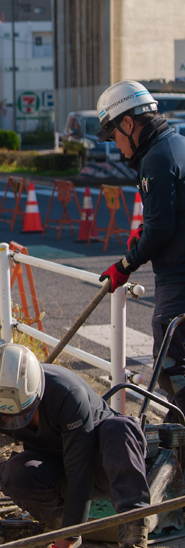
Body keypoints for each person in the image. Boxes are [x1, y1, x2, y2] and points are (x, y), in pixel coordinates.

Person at [0, 343, 153, 548]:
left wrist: (64, 546)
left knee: (120, 430)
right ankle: (55, 524)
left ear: (37, 395)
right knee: (15, 472)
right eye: (1, 416)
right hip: (55, 467)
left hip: (102, 464)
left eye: (18, 415)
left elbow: (81, 472)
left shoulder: (66, 394)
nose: (8, 422)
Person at [96, 80, 185, 420]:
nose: (117, 146)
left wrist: (125, 264)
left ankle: (179, 452)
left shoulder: (156, 160)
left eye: (114, 135)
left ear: (129, 124)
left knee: (172, 366)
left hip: (178, 278)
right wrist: (146, 228)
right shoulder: (176, 146)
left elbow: (162, 228)